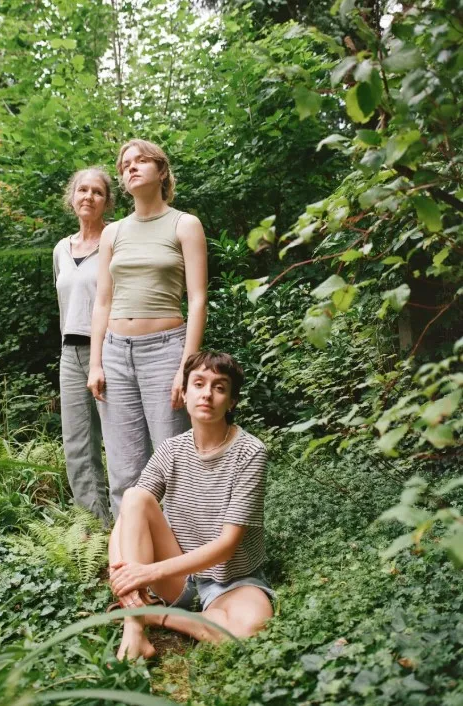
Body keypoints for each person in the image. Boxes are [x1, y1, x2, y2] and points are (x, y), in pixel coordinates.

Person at [108, 351, 274, 660]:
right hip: (179, 577)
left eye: (220, 387)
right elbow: (129, 515)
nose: (208, 394)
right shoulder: (171, 450)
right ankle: (134, 630)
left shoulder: (250, 452)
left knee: (250, 631)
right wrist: (123, 577)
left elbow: (226, 546)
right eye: (198, 384)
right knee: (134, 497)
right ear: (184, 393)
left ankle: (154, 614)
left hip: (234, 581)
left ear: (232, 401)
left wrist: (144, 573)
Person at [88, 139, 208, 517]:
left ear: (161, 171)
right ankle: (132, 566)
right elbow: (102, 302)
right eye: (125, 165)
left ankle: (186, 571)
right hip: (115, 354)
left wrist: (186, 370)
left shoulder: (184, 224)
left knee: (174, 461)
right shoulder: (112, 233)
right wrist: (95, 363)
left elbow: (198, 299)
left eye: (141, 161)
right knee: (124, 470)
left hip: (166, 351)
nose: (132, 168)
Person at [53, 167, 113, 524]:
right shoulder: (62, 248)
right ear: (72, 197)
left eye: (97, 191)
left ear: (107, 201)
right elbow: (66, 304)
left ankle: (136, 529)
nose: (88, 196)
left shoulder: (116, 239)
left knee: (122, 442)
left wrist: (104, 357)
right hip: (70, 353)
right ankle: (98, 527)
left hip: (110, 350)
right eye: (82, 190)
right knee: (77, 446)